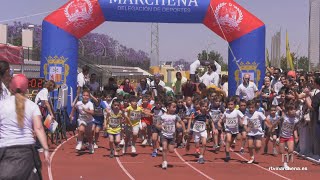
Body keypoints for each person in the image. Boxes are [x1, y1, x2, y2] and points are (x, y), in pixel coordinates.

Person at [0, 74, 50, 179]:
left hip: (5, 150)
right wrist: (45, 149)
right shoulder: (32, 106)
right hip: (27, 151)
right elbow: (39, 128)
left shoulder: (2, 105)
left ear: (10, 88)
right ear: (26, 89)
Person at [157, 100, 186, 169]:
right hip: (164, 134)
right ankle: (164, 162)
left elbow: (181, 122)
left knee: (171, 150)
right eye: (173, 107)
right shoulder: (162, 116)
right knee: (164, 148)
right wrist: (161, 126)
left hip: (172, 135)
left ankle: (167, 146)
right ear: (168, 107)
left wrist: (184, 129)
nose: (175, 109)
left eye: (175, 107)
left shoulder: (175, 116)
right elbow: (157, 125)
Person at [218, 97, 244, 162]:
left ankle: (227, 149)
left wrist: (243, 122)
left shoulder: (237, 111)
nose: (230, 106)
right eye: (229, 104)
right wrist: (219, 123)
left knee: (233, 141)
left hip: (235, 130)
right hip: (228, 129)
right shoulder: (226, 112)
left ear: (234, 105)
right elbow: (221, 119)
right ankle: (227, 154)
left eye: (231, 104)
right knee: (228, 140)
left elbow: (243, 117)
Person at [69, 89, 95, 154]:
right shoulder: (79, 103)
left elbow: (92, 112)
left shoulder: (90, 104)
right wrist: (71, 115)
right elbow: (74, 108)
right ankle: (79, 143)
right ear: (82, 96)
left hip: (89, 121)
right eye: (84, 95)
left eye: (87, 95)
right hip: (81, 119)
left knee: (89, 135)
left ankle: (90, 145)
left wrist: (86, 110)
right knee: (81, 130)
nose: (85, 97)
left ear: (89, 97)